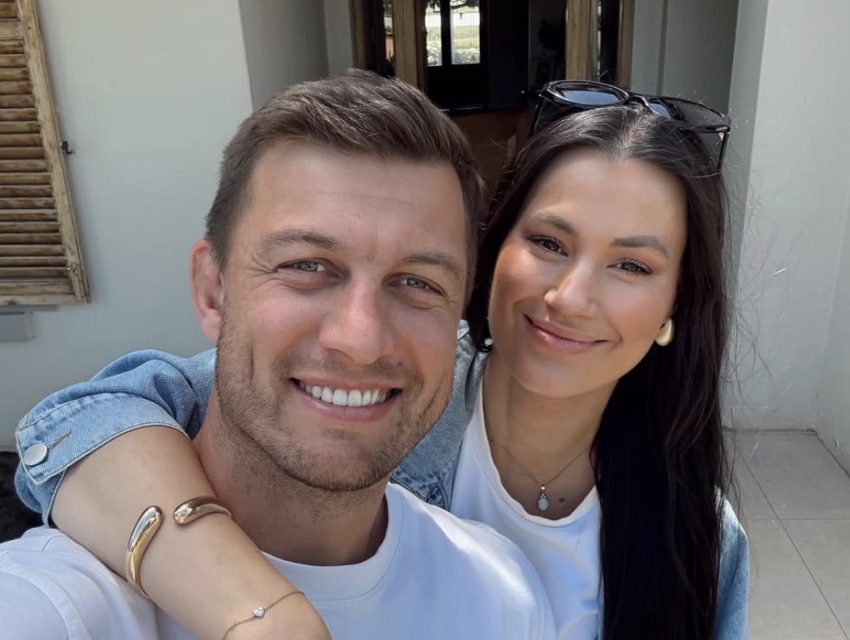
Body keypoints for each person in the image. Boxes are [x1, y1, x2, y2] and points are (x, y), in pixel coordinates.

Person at [13, 80, 749, 639]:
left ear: (677, 304)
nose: (572, 297)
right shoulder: (380, 390)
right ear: (488, 262)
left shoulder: (693, 531)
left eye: (633, 266)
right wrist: (257, 612)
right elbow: (88, 418)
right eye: (549, 243)